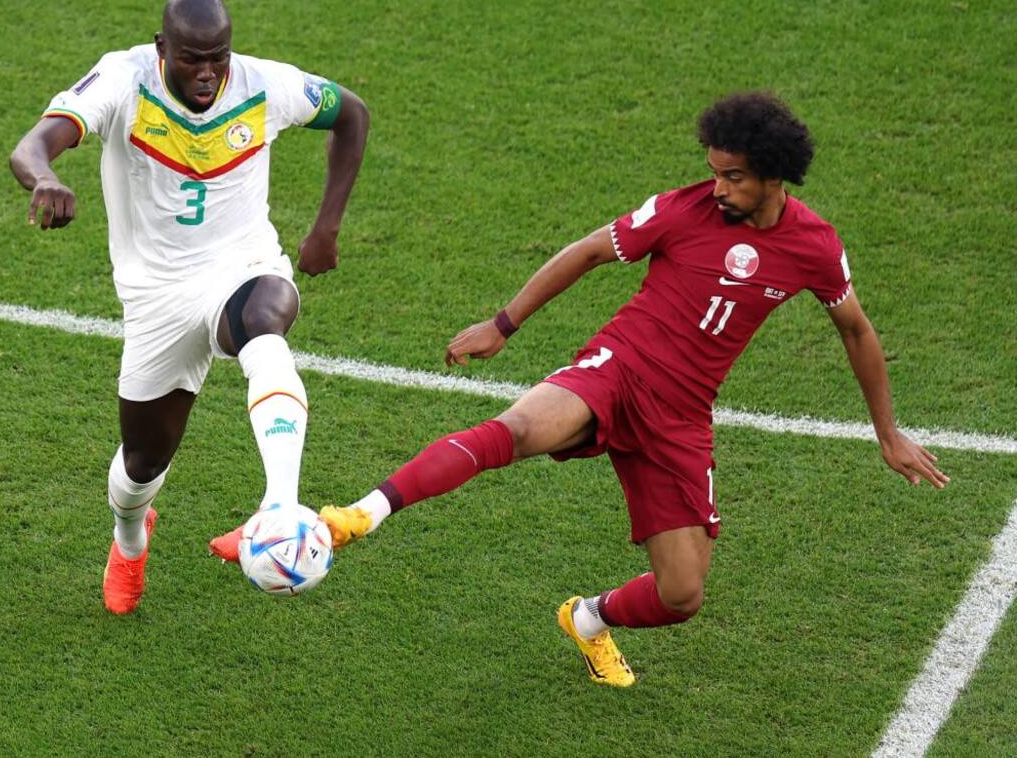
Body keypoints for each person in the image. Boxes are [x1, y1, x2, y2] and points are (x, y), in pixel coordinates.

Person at [318, 92, 945, 687]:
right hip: (618, 370)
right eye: (714, 172)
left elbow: (857, 331)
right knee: (515, 431)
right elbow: (588, 252)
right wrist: (502, 324)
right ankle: (357, 517)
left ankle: (586, 619)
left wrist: (887, 435)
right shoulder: (683, 209)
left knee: (682, 595)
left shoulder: (813, 246)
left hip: (681, 418)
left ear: (774, 175)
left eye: (732, 178)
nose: (718, 188)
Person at [9, 0, 369, 614]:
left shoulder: (263, 84)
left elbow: (352, 114)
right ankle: (129, 542)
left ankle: (279, 507)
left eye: (218, 58)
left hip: (242, 265)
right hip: (156, 296)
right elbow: (32, 144)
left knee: (267, 319)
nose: (208, 73)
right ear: (161, 49)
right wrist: (45, 177)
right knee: (142, 465)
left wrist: (326, 228)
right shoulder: (123, 80)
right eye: (192, 59)